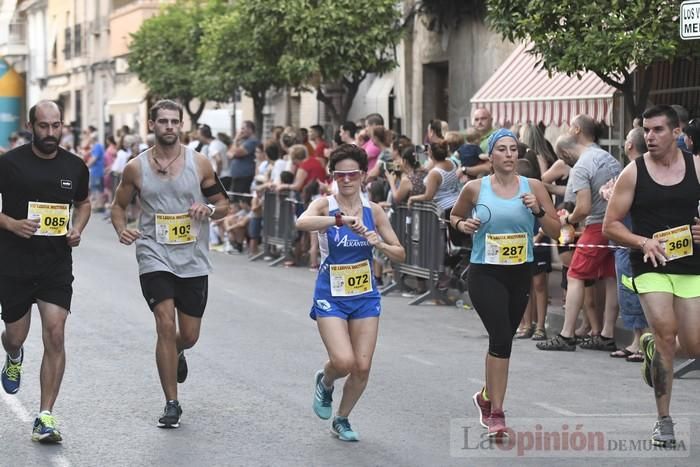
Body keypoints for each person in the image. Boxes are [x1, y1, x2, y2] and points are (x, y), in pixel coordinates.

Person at [110, 99, 230, 429]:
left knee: (187, 334)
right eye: (162, 121)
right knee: (164, 323)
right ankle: (171, 402)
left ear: (181, 125)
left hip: (192, 257)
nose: (169, 127)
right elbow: (118, 206)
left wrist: (209, 211)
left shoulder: (200, 163)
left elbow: (224, 205)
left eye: (174, 121)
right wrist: (122, 229)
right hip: (154, 253)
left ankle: (177, 351)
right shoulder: (136, 167)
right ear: (152, 125)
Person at [450, 129, 559, 437]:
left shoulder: (534, 186)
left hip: (519, 272)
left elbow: (556, 230)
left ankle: (485, 396)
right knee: (500, 337)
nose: (510, 154)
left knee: (504, 339)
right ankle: (497, 413)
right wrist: (464, 224)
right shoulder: (475, 187)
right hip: (485, 272)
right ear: (491, 156)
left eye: (514, 149)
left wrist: (537, 210)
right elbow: (455, 217)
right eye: (502, 149)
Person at [603, 105, 700, 447]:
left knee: (692, 346)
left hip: (691, 266)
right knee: (664, 331)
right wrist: (644, 241)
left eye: (658, 130)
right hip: (650, 265)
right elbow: (610, 225)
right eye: (646, 130)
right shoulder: (634, 172)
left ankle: (651, 349)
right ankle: (664, 420)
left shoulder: (697, 167)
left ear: (677, 132)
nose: (650, 136)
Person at [296, 144, 405, 442]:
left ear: (363, 175)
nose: (346, 180)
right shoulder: (325, 205)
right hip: (330, 294)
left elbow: (400, 253)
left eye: (352, 174)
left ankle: (341, 419)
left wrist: (377, 243)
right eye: (340, 174)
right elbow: (301, 222)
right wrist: (338, 221)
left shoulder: (374, 211)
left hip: (365, 296)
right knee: (343, 362)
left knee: (362, 366)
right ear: (333, 176)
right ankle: (326, 380)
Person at [0, 100, 91, 443]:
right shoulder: (9, 164)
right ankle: (12, 355)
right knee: (16, 335)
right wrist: (11, 223)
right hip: (14, 263)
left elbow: (83, 203)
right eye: (44, 126)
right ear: (31, 125)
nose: (51, 133)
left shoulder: (75, 166)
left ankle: (45, 416)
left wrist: (77, 228)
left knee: (55, 333)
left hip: (55, 262)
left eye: (56, 126)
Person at [537, 122, 622, 352]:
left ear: (565, 154)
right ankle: (606, 334)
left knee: (575, 274)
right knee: (610, 278)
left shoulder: (582, 166)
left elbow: (583, 208)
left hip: (596, 225)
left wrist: (568, 220)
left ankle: (566, 335)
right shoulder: (609, 158)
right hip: (616, 225)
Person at [227, 120, 259, 194]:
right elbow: (229, 154)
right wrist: (235, 145)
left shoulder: (252, 141)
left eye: (243, 128)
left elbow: (236, 153)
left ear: (250, 129)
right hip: (237, 176)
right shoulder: (242, 141)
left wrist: (235, 140)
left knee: (241, 201)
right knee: (235, 201)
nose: (240, 131)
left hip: (244, 176)